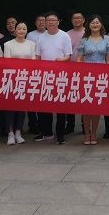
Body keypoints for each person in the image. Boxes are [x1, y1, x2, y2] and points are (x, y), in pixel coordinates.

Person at [33, 11, 72, 144]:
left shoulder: (64, 36)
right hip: (45, 76)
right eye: (48, 20)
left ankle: (60, 134)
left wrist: (61, 60)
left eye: (53, 20)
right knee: (45, 105)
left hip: (61, 75)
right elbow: (38, 56)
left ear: (58, 22)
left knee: (60, 106)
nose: (50, 22)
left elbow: (68, 56)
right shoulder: (41, 37)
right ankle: (47, 132)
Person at [77, 14, 109, 145]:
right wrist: (79, 73)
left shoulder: (107, 39)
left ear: (101, 24)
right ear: (89, 25)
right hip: (86, 77)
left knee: (97, 107)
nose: (95, 24)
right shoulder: (84, 40)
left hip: (101, 77)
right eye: (92, 22)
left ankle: (94, 134)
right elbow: (79, 58)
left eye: (97, 22)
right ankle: (86, 133)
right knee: (86, 107)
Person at [3, 21, 37, 145]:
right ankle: (10, 133)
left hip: (25, 79)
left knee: (22, 107)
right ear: (15, 30)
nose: (21, 31)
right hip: (12, 79)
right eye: (19, 28)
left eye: (24, 29)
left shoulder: (31, 44)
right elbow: (7, 62)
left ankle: (18, 132)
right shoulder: (8, 44)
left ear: (27, 31)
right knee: (10, 108)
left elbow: (33, 61)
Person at [25, 13, 47, 133]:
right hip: (32, 69)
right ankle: (32, 124)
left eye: (43, 20)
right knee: (31, 98)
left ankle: (43, 125)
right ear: (35, 23)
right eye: (39, 20)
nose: (41, 22)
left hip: (46, 70)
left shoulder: (50, 34)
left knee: (43, 98)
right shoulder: (30, 35)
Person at [66, 12, 86, 134]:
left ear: (83, 20)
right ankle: (70, 123)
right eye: (74, 18)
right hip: (70, 69)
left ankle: (85, 124)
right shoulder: (66, 34)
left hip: (85, 69)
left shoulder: (88, 32)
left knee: (84, 96)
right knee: (70, 97)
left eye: (79, 18)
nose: (77, 20)